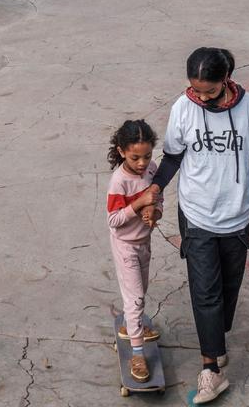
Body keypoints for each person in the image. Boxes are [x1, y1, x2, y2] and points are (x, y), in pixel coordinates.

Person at [143, 48, 249, 404]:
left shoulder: (248, 107)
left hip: (237, 214)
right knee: (205, 291)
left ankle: (216, 340)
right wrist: (156, 186)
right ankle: (211, 368)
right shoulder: (183, 107)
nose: (202, 97)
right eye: (196, 90)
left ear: (225, 80)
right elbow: (174, 155)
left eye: (209, 91)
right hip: (196, 214)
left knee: (228, 287)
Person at [106, 119, 164, 383]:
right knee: (135, 298)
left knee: (142, 290)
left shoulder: (151, 169)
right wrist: (139, 203)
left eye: (147, 156)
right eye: (135, 157)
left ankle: (134, 326)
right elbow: (114, 220)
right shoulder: (119, 181)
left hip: (144, 242)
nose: (142, 163)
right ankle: (137, 352)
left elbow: (157, 196)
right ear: (121, 151)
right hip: (125, 245)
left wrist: (155, 211)